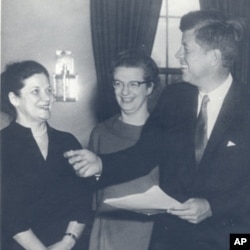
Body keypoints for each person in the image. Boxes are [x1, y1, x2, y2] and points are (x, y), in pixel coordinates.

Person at [64, 10, 250, 250]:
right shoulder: (174, 98)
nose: (178, 55)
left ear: (213, 57)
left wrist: (214, 206)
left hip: (232, 239)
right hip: (172, 238)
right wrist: (101, 164)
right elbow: (144, 154)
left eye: (186, 49)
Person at [1, 60, 93, 250]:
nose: (47, 98)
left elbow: (83, 198)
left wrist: (68, 242)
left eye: (49, 90)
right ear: (14, 99)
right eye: (36, 91)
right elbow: (7, 212)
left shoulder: (67, 141)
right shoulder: (3, 144)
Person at [88, 50, 160, 250]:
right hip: (108, 232)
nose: (124, 92)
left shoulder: (165, 133)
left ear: (149, 88)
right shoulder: (100, 132)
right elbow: (93, 198)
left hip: (153, 234)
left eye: (133, 84)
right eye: (118, 83)